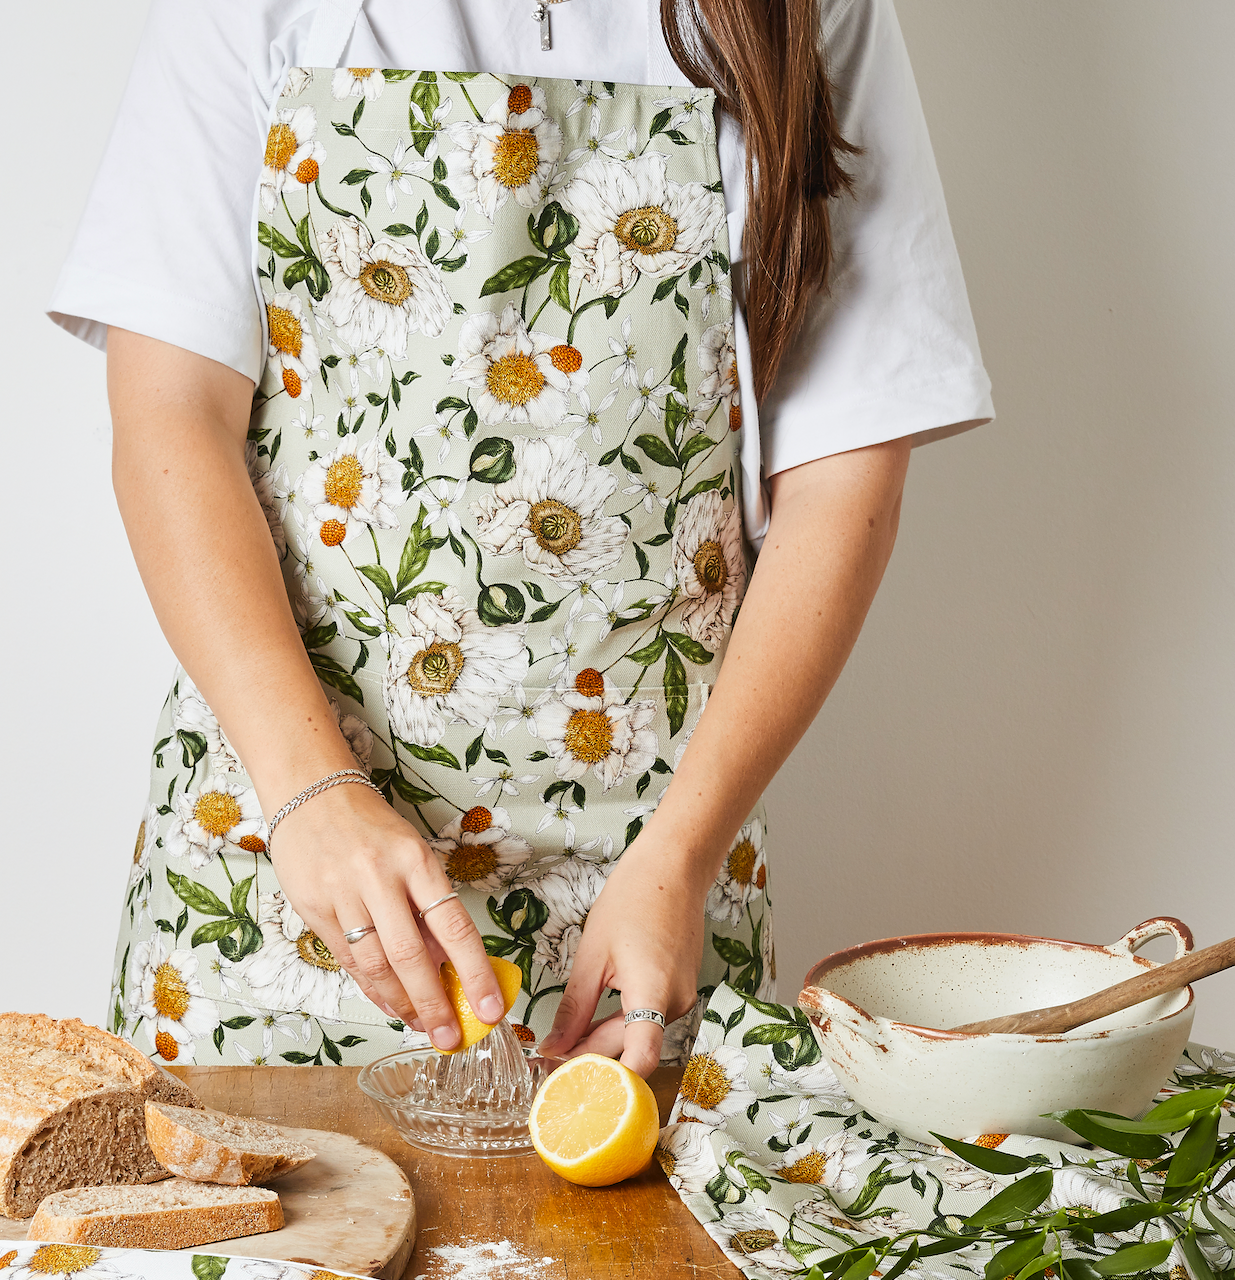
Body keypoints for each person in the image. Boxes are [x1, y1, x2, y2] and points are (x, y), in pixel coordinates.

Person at [49, 0, 992, 1077]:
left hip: (650, 894)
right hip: (283, 855)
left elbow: (842, 476)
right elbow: (170, 418)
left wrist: (683, 854)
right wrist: (311, 792)